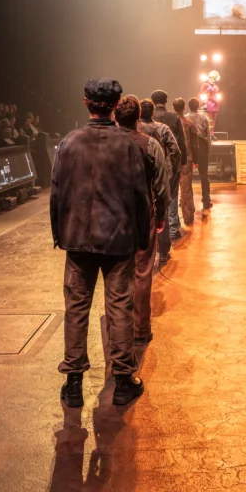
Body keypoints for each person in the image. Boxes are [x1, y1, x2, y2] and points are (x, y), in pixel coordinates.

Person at [50, 79, 148, 407]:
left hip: (78, 238)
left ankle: (74, 383)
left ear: (85, 103)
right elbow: (140, 194)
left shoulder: (68, 142)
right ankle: (122, 381)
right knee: (120, 305)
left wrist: (59, 234)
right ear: (116, 103)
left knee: (76, 307)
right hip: (119, 239)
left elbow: (57, 192)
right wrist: (143, 234)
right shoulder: (128, 145)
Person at [114, 95, 169, 349]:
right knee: (143, 271)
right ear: (138, 117)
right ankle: (140, 329)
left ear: (116, 117)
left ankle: (117, 329)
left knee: (115, 274)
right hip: (141, 215)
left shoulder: (105, 144)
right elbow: (161, 186)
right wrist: (160, 216)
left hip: (110, 217)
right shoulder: (150, 144)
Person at [137, 99, 181, 265]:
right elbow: (175, 151)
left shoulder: (133, 129)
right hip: (158, 174)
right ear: (153, 112)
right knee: (161, 208)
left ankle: (143, 250)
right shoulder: (162, 128)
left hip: (138, 176)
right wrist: (172, 170)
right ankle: (163, 251)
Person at [152, 89, 188, 242]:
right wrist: (183, 161)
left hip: (152, 163)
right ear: (166, 101)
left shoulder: (149, 117)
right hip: (171, 164)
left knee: (154, 196)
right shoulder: (174, 118)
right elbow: (180, 142)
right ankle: (173, 228)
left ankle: (156, 231)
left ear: (153, 102)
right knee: (173, 195)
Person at [186, 97, 213, 209]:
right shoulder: (203, 118)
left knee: (187, 175)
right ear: (198, 106)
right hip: (201, 145)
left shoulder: (185, 118)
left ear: (188, 106)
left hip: (189, 147)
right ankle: (206, 200)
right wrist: (208, 147)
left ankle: (187, 200)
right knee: (204, 174)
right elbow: (207, 134)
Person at [172, 97, 195, 225]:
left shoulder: (169, 123)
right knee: (186, 190)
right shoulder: (190, 123)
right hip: (187, 160)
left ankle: (173, 221)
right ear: (184, 108)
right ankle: (188, 216)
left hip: (173, 160)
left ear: (173, 108)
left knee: (172, 191)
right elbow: (194, 144)